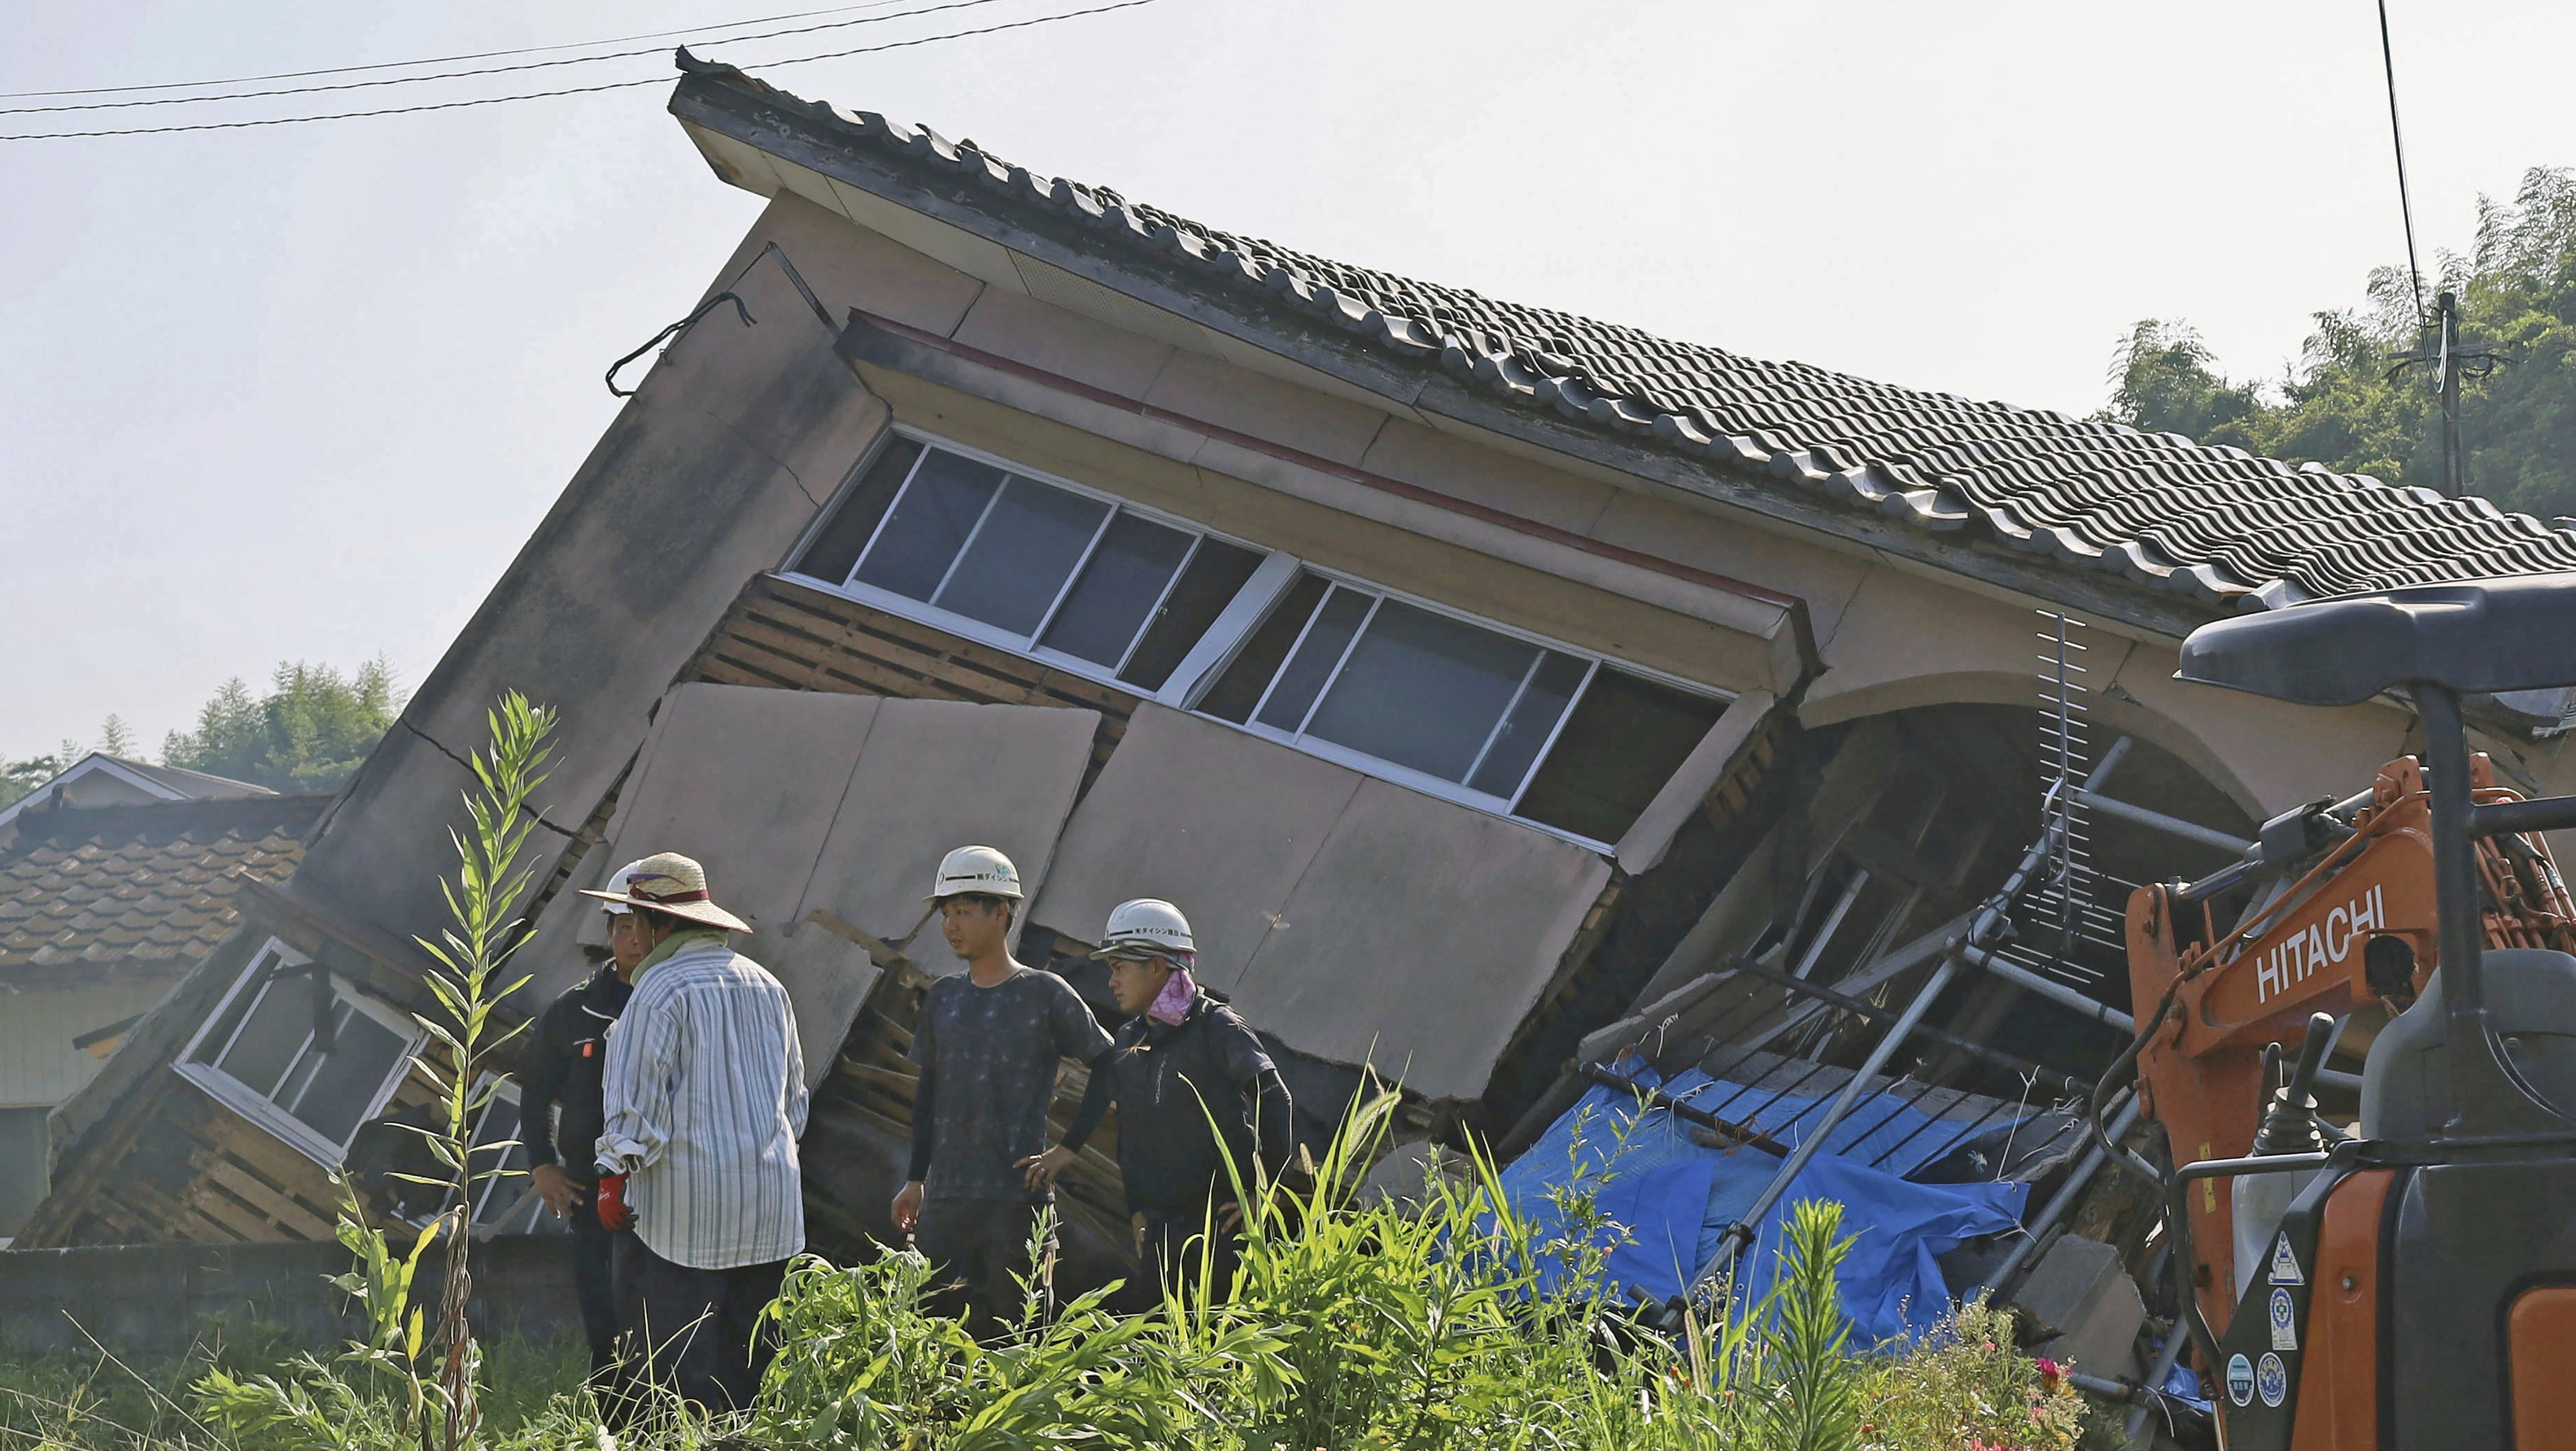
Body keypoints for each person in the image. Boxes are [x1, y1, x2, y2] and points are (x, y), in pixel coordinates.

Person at [587, 852, 807, 1413]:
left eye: (635, 921)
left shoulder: (659, 989)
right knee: (752, 1369)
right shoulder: (768, 986)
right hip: (770, 1211)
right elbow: (794, 1106)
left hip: (686, 1216)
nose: (632, 934)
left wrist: (613, 1175)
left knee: (678, 1375)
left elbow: (635, 1108)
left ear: (659, 925)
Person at [890, 845, 1113, 1338]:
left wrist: (1066, 1150)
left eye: (964, 912)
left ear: (1002, 914)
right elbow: (927, 1095)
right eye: (946, 914)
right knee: (927, 1343)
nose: (951, 925)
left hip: (1017, 1205)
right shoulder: (945, 998)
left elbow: (1110, 1064)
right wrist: (915, 1180)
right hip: (947, 1202)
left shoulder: (1045, 994)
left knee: (1018, 1343)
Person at [1024, 899, 1293, 1306]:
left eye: (1119, 968)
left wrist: (1263, 1189)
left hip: (1223, 1231)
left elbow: (1275, 1098)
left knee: (1220, 1350)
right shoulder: (1132, 1040)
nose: (1111, 981)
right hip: (1161, 1234)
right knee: (1158, 1352)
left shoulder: (1215, 1027)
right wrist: (1136, 1209)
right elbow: (1130, 1132)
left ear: (1155, 966)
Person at [516, 859, 649, 1402]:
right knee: (605, 1319)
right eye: (622, 926)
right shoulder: (574, 1011)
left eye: (645, 926)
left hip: (663, 1191)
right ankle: (615, 1425)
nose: (634, 940)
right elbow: (533, 1091)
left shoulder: (679, 999)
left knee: (662, 1319)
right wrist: (542, 1165)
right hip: (590, 1194)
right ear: (608, 933)